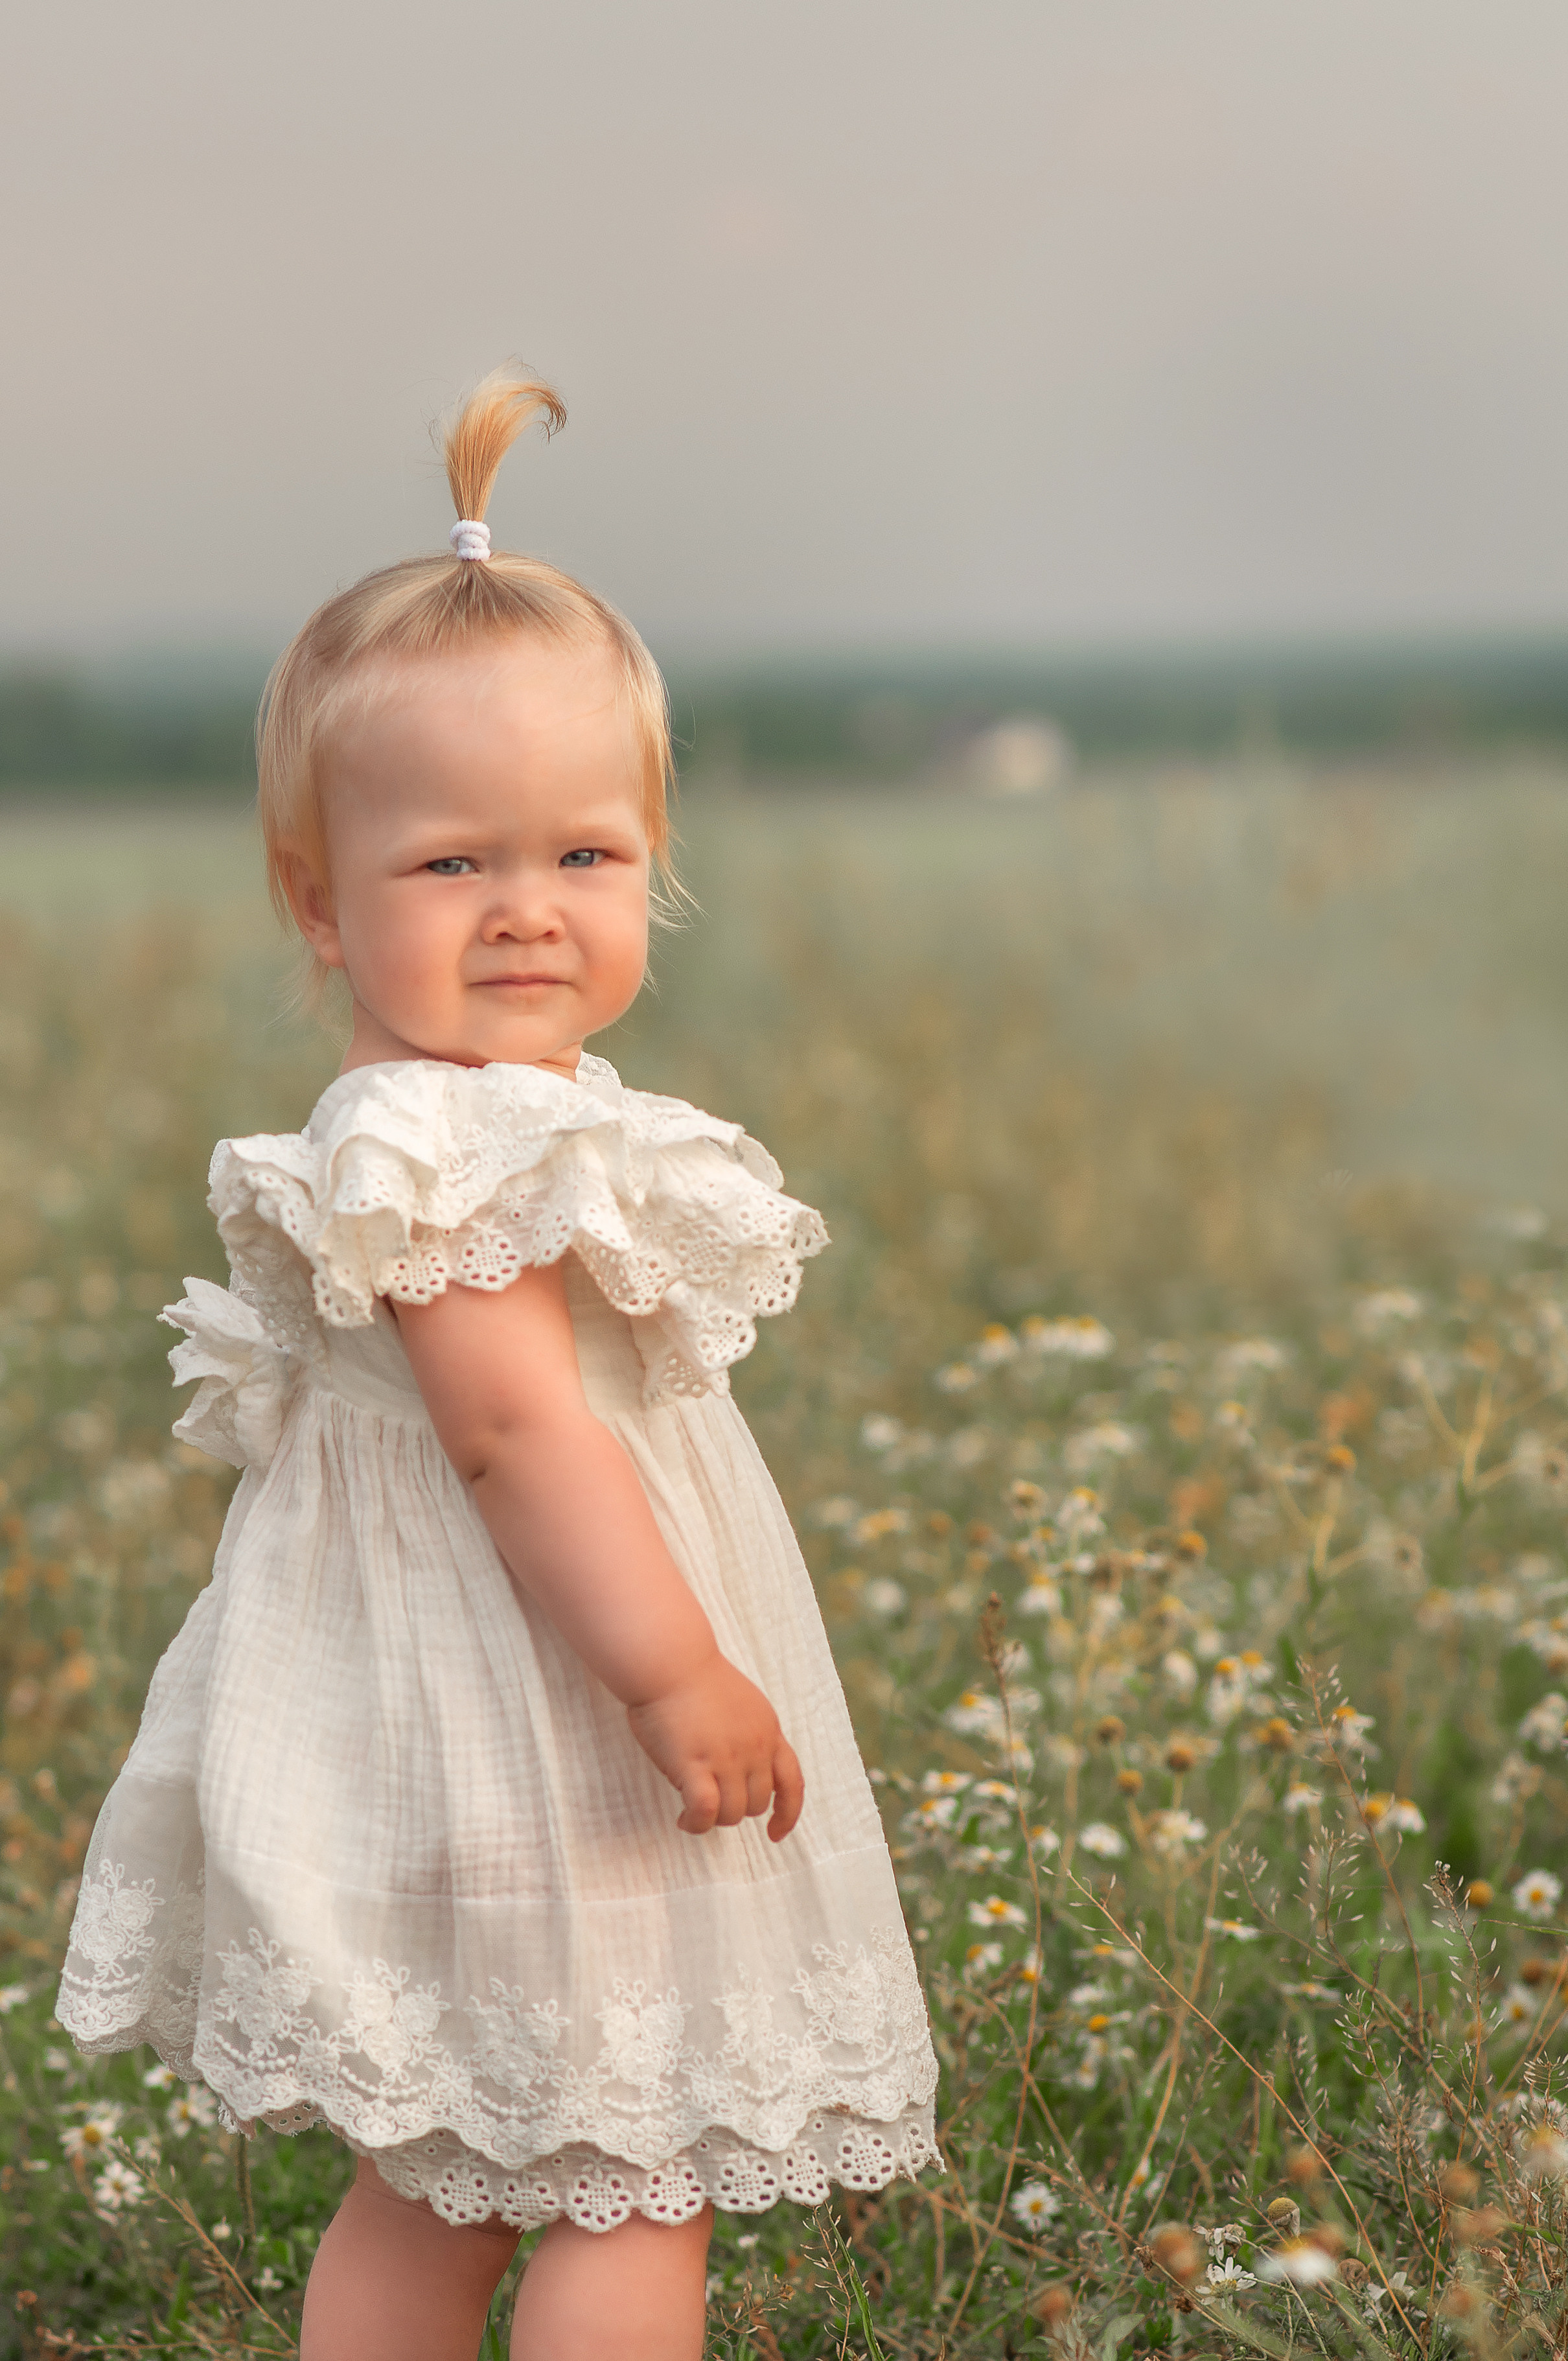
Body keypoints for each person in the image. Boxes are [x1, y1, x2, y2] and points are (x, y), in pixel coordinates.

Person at [56, 368, 938, 2360]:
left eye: (586, 857)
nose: (528, 908)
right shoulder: (443, 1138)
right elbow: (517, 1431)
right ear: (320, 897)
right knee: (630, 2176)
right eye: (452, 863)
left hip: (459, 1704)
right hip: (547, 1712)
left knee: (446, 2174)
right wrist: (674, 1666)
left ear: (649, 867)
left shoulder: (474, 1111)